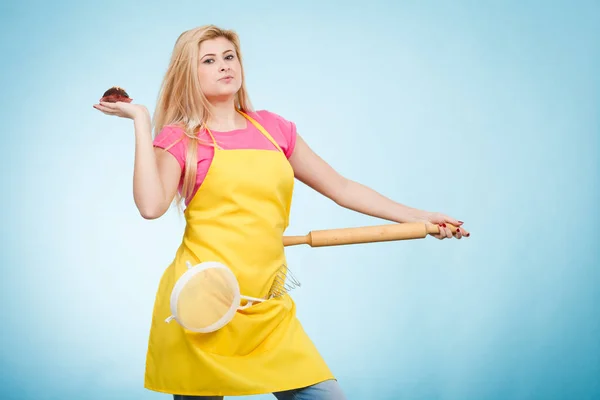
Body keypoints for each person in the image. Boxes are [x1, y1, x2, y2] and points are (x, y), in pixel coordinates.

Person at [93, 24, 467, 400]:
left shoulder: (274, 130)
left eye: (229, 56)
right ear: (189, 73)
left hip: (266, 304)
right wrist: (142, 121)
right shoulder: (181, 138)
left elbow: (342, 188)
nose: (225, 66)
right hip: (201, 305)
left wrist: (420, 218)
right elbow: (150, 206)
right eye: (209, 60)